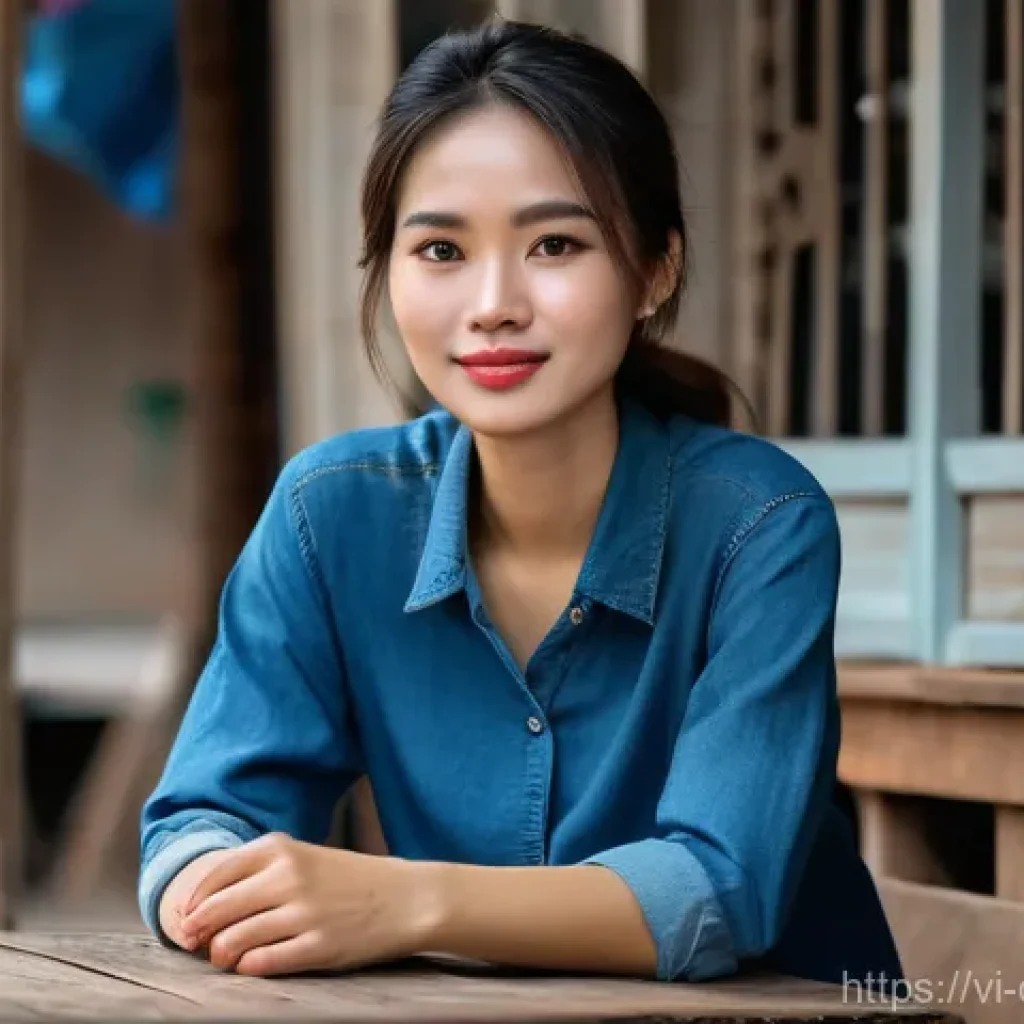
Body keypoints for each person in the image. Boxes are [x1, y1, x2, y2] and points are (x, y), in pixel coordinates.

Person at [139, 18, 903, 986]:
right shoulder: (328, 516)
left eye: (553, 243)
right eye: (441, 251)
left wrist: (403, 899)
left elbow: (717, 885)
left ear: (653, 270)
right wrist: (213, 885)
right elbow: (198, 817)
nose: (493, 301)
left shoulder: (759, 525)